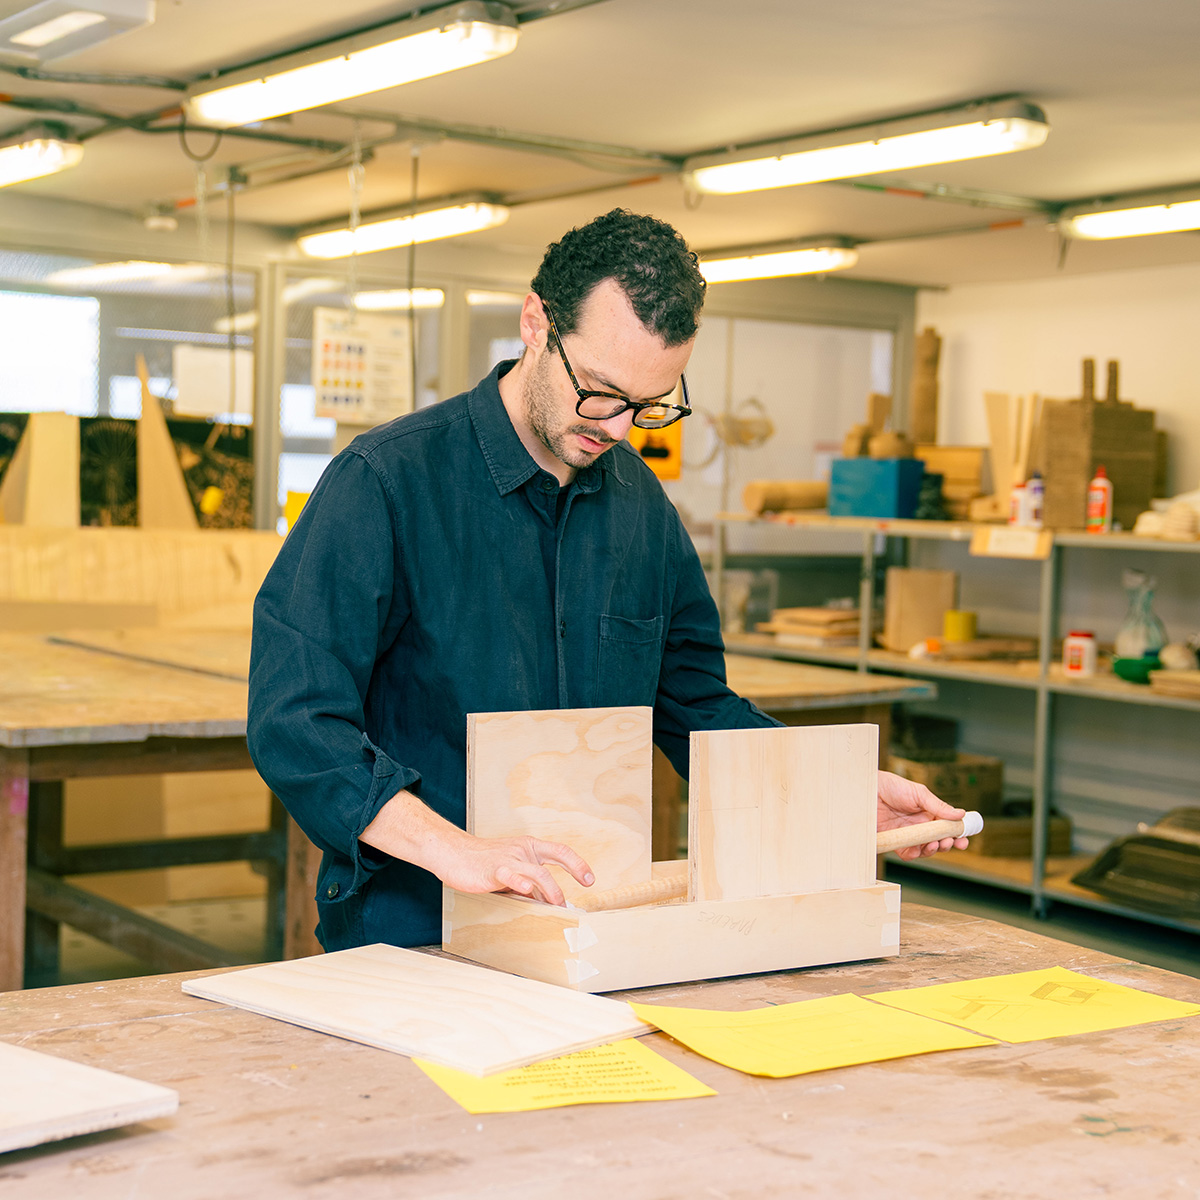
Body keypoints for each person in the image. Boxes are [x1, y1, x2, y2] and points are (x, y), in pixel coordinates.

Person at [247, 208, 967, 952]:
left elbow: (695, 707)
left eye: (650, 404)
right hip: (411, 929)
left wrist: (832, 793)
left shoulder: (640, 508)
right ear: (535, 323)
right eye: (599, 389)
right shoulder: (386, 484)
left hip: (592, 930)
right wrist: (455, 849)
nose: (619, 428)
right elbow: (294, 721)